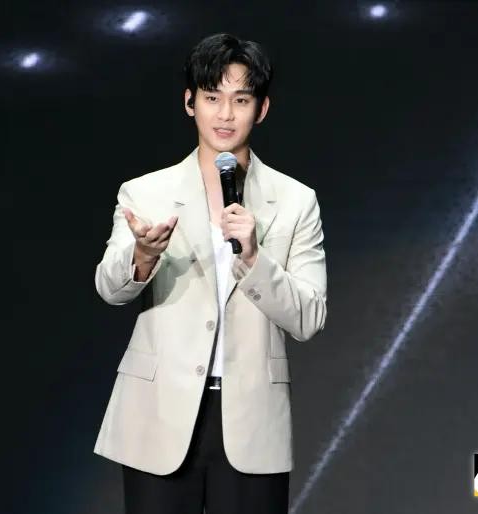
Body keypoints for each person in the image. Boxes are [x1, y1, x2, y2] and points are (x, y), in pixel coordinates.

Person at [92, 32, 328, 514]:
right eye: (212, 98)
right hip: (159, 412)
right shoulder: (145, 192)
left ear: (261, 109)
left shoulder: (295, 200)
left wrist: (254, 258)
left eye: (240, 100)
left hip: (251, 416)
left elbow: (309, 317)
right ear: (190, 103)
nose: (225, 115)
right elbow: (109, 288)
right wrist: (142, 255)